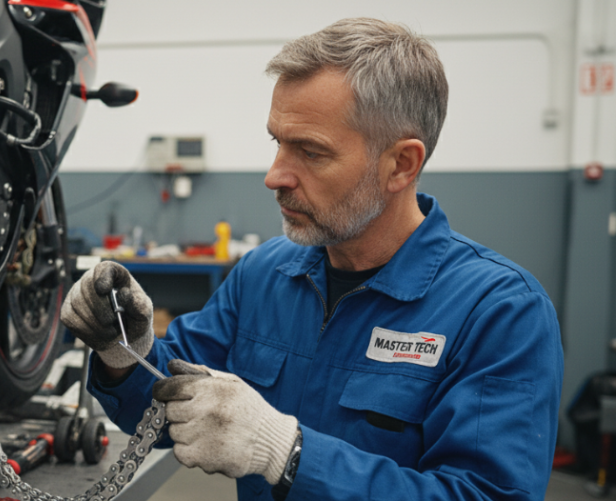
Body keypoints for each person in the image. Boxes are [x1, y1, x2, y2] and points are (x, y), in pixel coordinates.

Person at [60, 17, 563, 501]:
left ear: (401, 164)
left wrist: (287, 453)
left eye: (311, 151)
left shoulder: (500, 313)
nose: (275, 175)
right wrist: (125, 352)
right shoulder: (264, 274)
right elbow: (167, 401)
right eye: (278, 143)